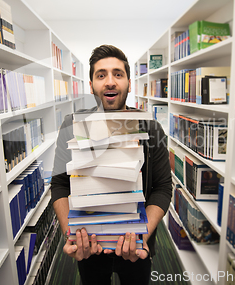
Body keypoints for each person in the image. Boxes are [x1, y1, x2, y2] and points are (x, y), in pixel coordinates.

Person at [51, 44, 172, 285]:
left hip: (137, 244)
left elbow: (162, 188)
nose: (110, 81)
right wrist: (72, 235)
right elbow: (60, 184)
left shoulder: (150, 128)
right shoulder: (71, 127)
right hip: (89, 245)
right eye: (101, 75)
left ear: (128, 83)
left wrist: (141, 235)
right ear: (91, 85)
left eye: (118, 74)